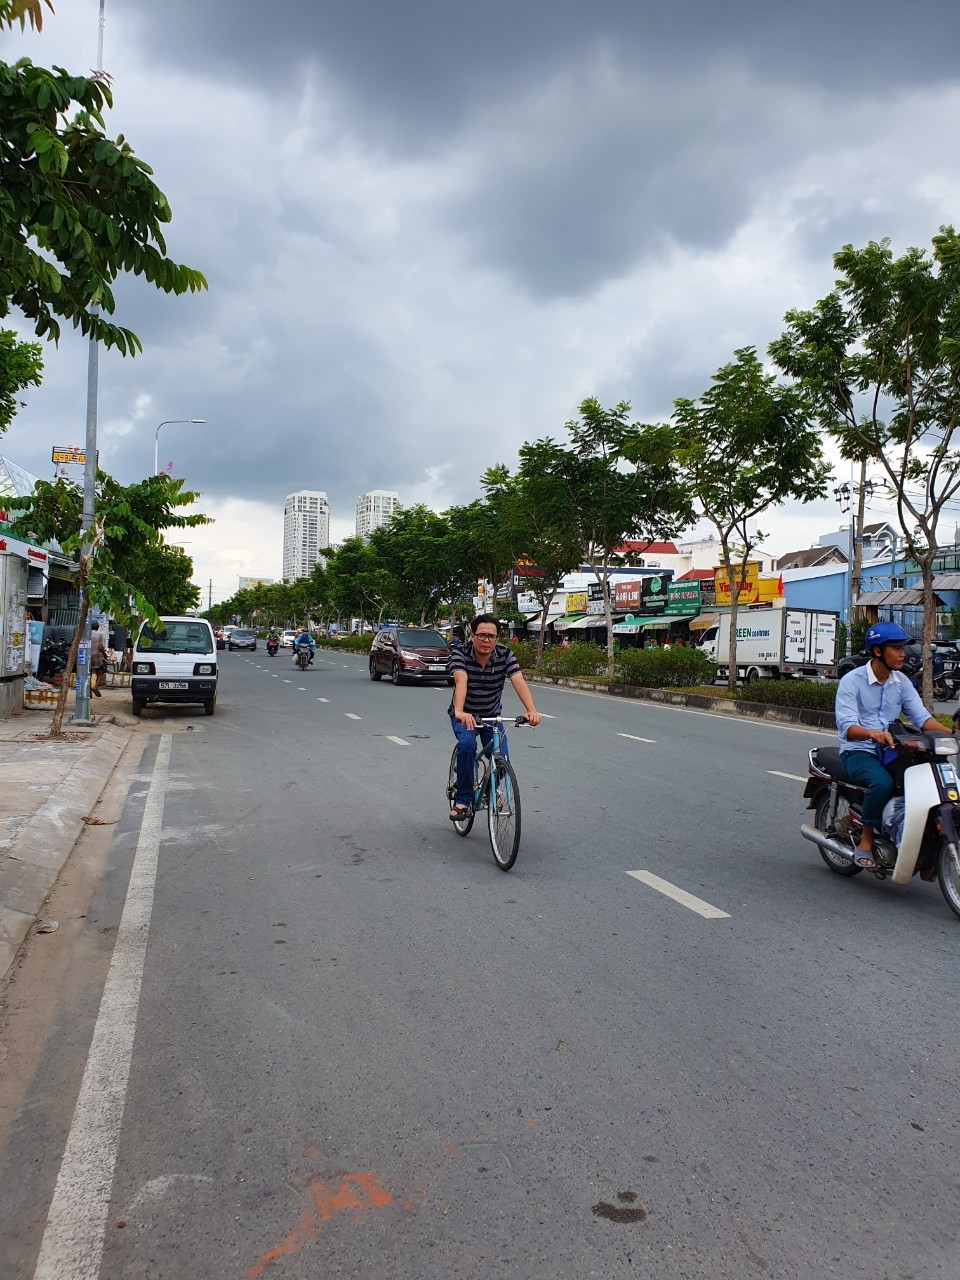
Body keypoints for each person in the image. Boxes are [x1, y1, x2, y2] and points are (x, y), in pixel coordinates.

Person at [835, 621, 949, 868]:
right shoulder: (852, 681)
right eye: (896, 648)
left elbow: (921, 719)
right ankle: (866, 840)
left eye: (903, 648)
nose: (902, 654)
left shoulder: (902, 682)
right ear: (878, 651)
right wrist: (871, 733)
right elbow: (847, 728)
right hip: (859, 751)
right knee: (882, 783)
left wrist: (950, 733)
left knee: (926, 780)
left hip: (892, 749)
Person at [448, 613, 541, 821]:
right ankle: (463, 800)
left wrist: (531, 709)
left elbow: (518, 680)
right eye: (481, 635)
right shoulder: (460, 654)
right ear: (472, 636)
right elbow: (461, 680)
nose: (486, 640)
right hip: (465, 715)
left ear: (497, 638)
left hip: (491, 716)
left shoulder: (505, 655)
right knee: (467, 746)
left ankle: (489, 790)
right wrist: (461, 712)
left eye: (491, 636)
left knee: (502, 759)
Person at [89, 620, 107, 697]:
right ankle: (95, 687)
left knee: (88, 674)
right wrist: (105, 655)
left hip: (87, 656)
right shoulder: (100, 634)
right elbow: (100, 647)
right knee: (100, 672)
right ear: (98, 627)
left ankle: (89, 690)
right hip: (96, 656)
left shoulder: (86, 634)